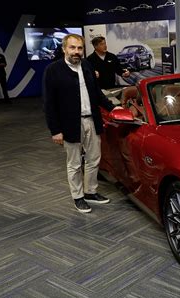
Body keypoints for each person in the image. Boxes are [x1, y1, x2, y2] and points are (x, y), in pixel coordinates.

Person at [43, 34, 122, 213]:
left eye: (79, 48)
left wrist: (112, 108)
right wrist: (55, 130)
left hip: (92, 120)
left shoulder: (86, 65)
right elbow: (49, 104)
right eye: (72, 48)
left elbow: (96, 92)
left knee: (94, 159)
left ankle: (90, 192)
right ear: (64, 49)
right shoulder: (53, 70)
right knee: (74, 163)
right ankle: (78, 197)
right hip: (70, 124)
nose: (76, 52)